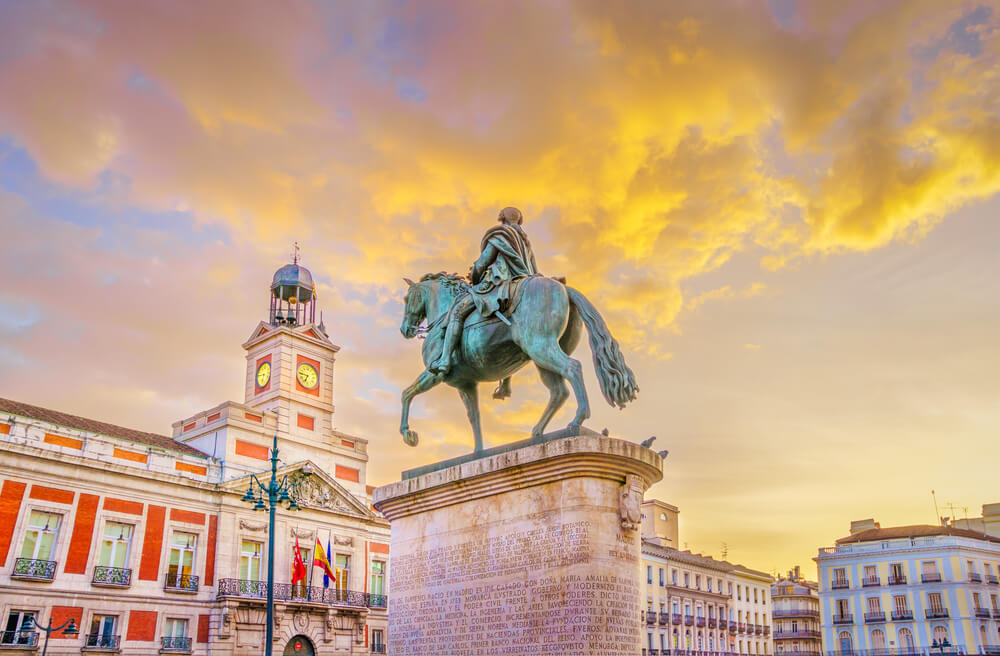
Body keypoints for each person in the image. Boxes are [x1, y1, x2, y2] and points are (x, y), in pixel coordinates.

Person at [429, 207, 538, 379]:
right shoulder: (525, 241)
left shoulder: (500, 235)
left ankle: (444, 359)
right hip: (521, 283)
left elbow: (483, 262)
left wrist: (474, 275)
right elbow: (534, 271)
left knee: (457, 311)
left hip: (497, 283)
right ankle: (505, 381)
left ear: (502, 217)